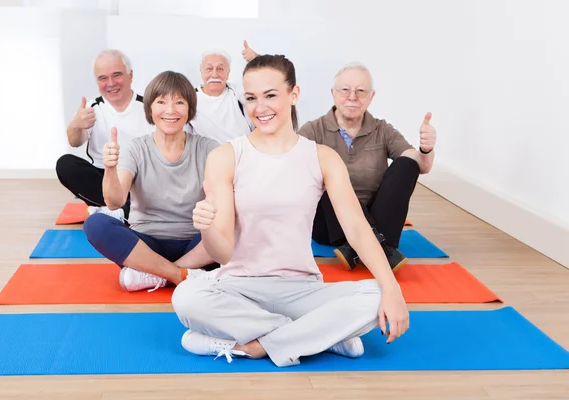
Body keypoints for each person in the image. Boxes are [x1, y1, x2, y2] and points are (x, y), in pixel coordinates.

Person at [171, 55, 409, 368]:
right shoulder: (226, 156)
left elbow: (356, 228)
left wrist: (392, 289)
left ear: (293, 95)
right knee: (186, 298)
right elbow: (223, 252)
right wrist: (206, 226)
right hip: (240, 287)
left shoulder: (322, 157)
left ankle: (256, 346)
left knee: (378, 293)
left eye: (271, 95)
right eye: (251, 98)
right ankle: (321, 335)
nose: (260, 107)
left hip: (303, 290)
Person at [83, 71, 219, 292]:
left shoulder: (209, 148)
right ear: (150, 108)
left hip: (197, 245)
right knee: (95, 224)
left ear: (190, 108)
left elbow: (224, 202)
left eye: (179, 102)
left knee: (241, 221)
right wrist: (109, 168)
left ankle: (155, 274)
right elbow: (114, 202)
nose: (170, 110)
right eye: (161, 102)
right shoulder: (136, 148)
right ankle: (180, 275)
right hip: (145, 245)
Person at [298, 62, 437, 271]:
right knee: (326, 175)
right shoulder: (313, 130)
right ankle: (380, 245)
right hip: (330, 226)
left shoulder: (382, 130)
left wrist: (426, 149)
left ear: (371, 97)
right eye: (345, 90)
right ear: (333, 94)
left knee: (407, 164)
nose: (352, 97)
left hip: (379, 218)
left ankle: (357, 247)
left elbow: (420, 166)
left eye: (361, 91)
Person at [56, 49, 153, 220]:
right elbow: (74, 142)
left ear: (130, 75)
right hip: (104, 178)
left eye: (117, 75)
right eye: (103, 78)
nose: (111, 83)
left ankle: (117, 211)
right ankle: (120, 210)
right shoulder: (91, 108)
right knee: (65, 164)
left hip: (136, 180)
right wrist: (75, 125)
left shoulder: (149, 107)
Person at [186, 41, 258, 143]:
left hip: (245, 152)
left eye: (220, 69)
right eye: (209, 68)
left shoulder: (238, 92)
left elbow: (266, 84)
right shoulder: (189, 99)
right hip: (210, 156)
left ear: (228, 73)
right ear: (201, 72)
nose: (214, 74)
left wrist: (256, 60)